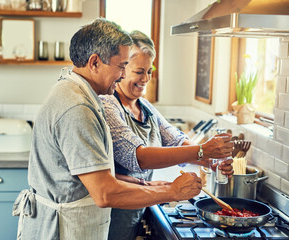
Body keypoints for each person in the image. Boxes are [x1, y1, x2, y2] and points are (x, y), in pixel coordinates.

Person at [12, 19, 209, 240]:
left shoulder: (78, 93)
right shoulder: (78, 108)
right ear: (95, 62)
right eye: (122, 66)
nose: (124, 75)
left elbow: (83, 175)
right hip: (63, 231)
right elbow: (104, 193)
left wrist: (144, 184)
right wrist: (172, 191)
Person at [100, 30, 234, 240]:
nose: (146, 79)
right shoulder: (108, 104)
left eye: (150, 71)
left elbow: (177, 140)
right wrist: (202, 150)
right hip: (112, 215)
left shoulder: (145, 107)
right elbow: (137, 157)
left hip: (139, 208)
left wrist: (212, 162)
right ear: (122, 69)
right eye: (139, 71)